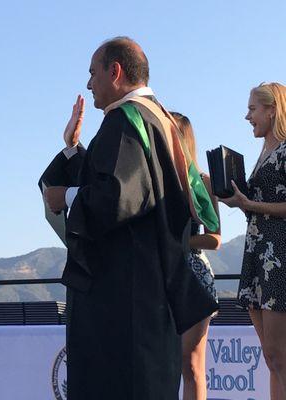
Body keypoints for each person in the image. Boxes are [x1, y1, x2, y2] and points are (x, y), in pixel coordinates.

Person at [43, 37, 218, 399]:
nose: (89, 84)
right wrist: (73, 149)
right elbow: (133, 187)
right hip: (152, 290)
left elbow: (118, 197)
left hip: (124, 298)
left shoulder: (126, 119)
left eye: (93, 73)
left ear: (115, 71)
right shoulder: (162, 120)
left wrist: (66, 196)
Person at [220, 82, 286, 399]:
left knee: (278, 355)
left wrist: (250, 205)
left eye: (252, 109)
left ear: (272, 110)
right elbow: (254, 207)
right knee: (272, 359)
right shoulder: (264, 151)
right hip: (258, 253)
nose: (247, 116)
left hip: (279, 256)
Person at [172, 112, 221, 400]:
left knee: (191, 365)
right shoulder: (158, 180)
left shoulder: (204, 182)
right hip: (163, 275)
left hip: (195, 276)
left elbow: (214, 238)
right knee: (168, 363)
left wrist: (179, 242)